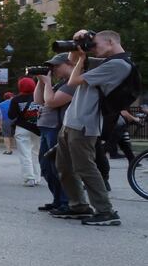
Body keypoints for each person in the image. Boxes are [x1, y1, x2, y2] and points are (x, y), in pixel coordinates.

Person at [55, 29, 133, 227]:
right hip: (72, 120)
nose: (93, 48)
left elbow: (73, 80)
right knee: (64, 167)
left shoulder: (118, 64)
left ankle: (106, 211)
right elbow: (71, 62)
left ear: (110, 42)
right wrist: (76, 41)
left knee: (85, 167)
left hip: (85, 122)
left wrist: (82, 57)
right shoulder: (105, 62)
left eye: (96, 44)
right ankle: (79, 206)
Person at [32, 53, 73, 214]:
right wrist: (41, 82)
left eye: (56, 66)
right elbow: (38, 101)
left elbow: (52, 101)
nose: (53, 69)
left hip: (57, 128)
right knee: (46, 167)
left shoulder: (72, 83)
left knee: (58, 167)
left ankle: (66, 201)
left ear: (69, 64)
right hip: (46, 128)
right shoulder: (60, 84)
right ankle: (58, 199)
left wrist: (48, 82)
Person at [8, 77, 41, 187]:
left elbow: (11, 115)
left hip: (22, 128)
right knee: (36, 153)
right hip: (38, 129)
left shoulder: (16, 99)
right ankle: (37, 177)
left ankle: (29, 178)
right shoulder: (40, 96)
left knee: (25, 153)